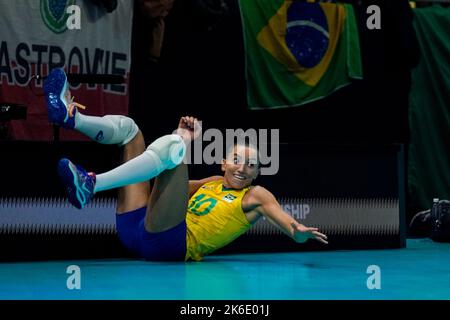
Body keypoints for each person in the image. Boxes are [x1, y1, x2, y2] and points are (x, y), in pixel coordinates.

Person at [44, 68, 328, 262]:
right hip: (137, 228)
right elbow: (161, 183)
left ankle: (92, 184)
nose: (243, 168)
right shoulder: (212, 183)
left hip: (170, 244)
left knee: (174, 149)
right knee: (131, 131)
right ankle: (72, 119)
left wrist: (297, 232)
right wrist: (182, 141)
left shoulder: (255, 195)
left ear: (257, 172)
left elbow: (282, 218)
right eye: (239, 161)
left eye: (252, 165)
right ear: (224, 163)